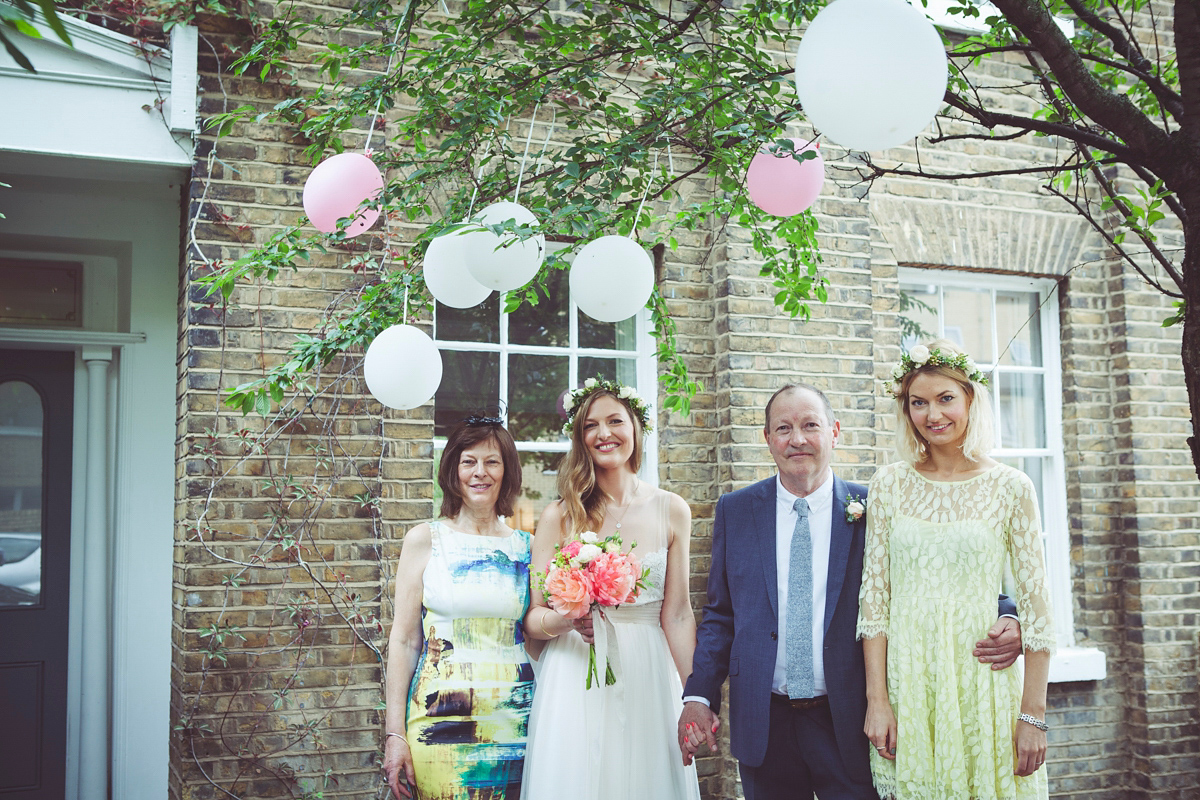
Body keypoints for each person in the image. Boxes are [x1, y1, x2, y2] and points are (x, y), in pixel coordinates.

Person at [679, 383, 1023, 800]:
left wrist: (1009, 614)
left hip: (850, 720)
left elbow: (938, 576)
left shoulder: (875, 505)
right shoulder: (736, 511)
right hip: (765, 722)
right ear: (767, 439)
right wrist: (699, 694)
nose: (798, 439)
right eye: (783, 428)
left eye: (811, 425)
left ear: (835, 432)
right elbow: (721, 615)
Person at [859, 340, 1054, 799]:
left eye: (946, 398)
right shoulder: (888, 484)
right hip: (911, 686)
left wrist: (1032, 716)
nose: (933, 414)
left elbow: (1038, 612)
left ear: (970, 399)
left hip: (983, 686)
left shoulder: (1011, 487)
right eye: (918, 403)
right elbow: (874, 603)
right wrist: (877, 701)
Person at [520, 378, 701, 800]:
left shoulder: (672, 510)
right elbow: (532, 619)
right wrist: (566, 619)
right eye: (590, 425)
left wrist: (696, 696)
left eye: (615, 421)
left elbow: (677, 614)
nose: (604, 434)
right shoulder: (558, 516)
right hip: (575, 671)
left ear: (637, 429)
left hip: (649, 671)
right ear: (579, 438)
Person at [381, 416, 533, 800]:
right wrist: (394, 733)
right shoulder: (425, 540)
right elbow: (403, 641)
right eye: (469, 461)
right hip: (437, 723)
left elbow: (540, 631)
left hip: (516, 722)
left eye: (492, 461)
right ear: (453, 469)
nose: (480, 472)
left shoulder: (526, 548)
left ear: (507, 471)